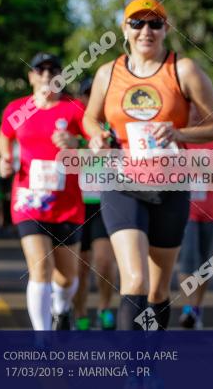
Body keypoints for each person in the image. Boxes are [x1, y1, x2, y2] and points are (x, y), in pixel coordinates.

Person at [83, 0, 213, 330]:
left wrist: (177, 132)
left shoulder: (184, 69)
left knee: (159, 289)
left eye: (154, 23)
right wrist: (96, 137)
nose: (145, 30)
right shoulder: (109, 73)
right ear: (125, 29)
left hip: (171, 185)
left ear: (166, 29)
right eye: (137, 23)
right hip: (122, 183)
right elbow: (90, 118)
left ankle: (152, 362)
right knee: (134, 280)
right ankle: (133, 372)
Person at [0, 53, 88, 330]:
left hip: (67, 203)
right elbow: (4, 138)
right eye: (40, 69)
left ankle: (61, 307)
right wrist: (5, 158)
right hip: (28, 199)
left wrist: (75, 141)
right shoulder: (17, 109)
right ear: (31, 76)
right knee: (41, 269)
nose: (47, 74)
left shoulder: (74, 109)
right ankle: (42, 339)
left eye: (54, 69)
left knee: (67, 277)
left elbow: (97, 143)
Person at [70, 77, 118, 330]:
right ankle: (79, 313)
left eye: (97, 94)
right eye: (88, 95)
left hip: (105, 203)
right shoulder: (74, 126)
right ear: (82, 99)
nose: (93, 99)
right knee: (80, 267)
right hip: (77, 205)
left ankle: (104, 308)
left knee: (104, 261)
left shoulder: (112, 126)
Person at [178, 107, 213, 330]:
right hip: (185, 209)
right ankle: (188, 307)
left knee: (206, 263)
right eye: (192, 109)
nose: (196, 113)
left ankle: (197, 306)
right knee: (188, 260)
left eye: (200, 109)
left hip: (211, 208)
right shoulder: (179, 136)